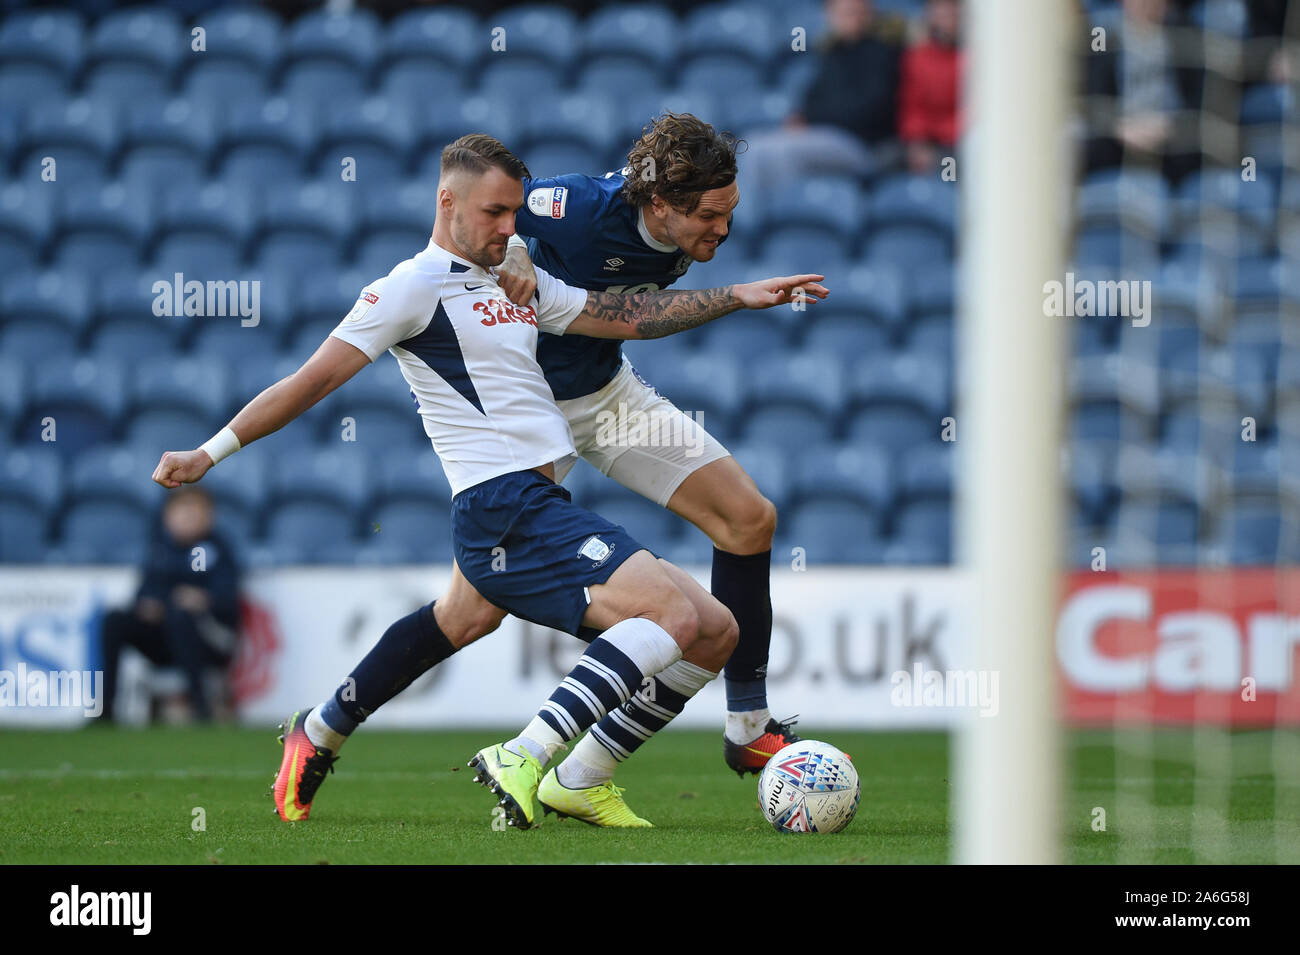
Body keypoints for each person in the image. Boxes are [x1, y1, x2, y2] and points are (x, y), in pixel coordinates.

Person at [150, 134, 828, 829]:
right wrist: (211, 451)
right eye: (497, 214)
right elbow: (308, 380)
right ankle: (520, 753)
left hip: (567, 452)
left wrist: (737, 297)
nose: (510, 229)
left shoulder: (512, 283)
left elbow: (625, 314)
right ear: (449, 201)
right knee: (636, 616)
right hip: (506, 496)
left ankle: (338, 733)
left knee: (717, 605)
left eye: (514, 216)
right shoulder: (416, 285)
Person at [430, 111, 802, 779]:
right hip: (533, 413)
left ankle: (748, 725)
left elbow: (637, 313)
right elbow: (511, 208)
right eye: (711, 216)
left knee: (750, 518)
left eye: (731, 213)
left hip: (607, 397)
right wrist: (515, 253)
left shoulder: (689, 223)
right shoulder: (578, 204)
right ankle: (328, 722)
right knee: (467, 614)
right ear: (661, 204)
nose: (723, 229)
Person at [97, 486, 240, 723]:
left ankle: (200, 708)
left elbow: (227, 600)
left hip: (207, 638)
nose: (188, 516)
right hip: (164, 637)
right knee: (114, 620)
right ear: (167, 516)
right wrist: (150, 607)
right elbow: (143, 596)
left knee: (181, 615)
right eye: (181, 510)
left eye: (195, 510)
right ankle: (105, 711)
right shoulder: (160, 548)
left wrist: (203, 599)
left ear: (209, 515)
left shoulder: (219, 550)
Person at [743, 0, 904, 193]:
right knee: (752, 145)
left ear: (869, 14)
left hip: (859, 143)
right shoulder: (831, 53)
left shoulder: (882, 53)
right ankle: (754, 216)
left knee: (782, 152)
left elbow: (869, 111)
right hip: (822, 134)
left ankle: (790, 213)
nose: (850, 18)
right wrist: (801, 117)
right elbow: (814, 97)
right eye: (843, 12)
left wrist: (812, 119)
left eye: (855, 12)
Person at [897, 0, 963, 175]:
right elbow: (912, 105)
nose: (947, 19)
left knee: (950, 167)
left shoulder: (977, 58)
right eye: (941, 13)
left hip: (959, 141)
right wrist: (918, 140)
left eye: (952, 13)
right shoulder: (917, 57)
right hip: (927, 140)